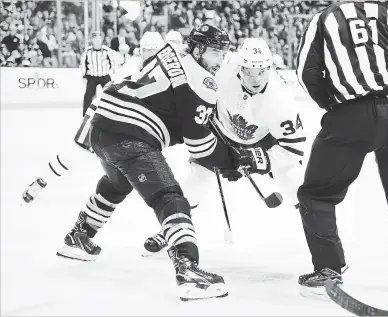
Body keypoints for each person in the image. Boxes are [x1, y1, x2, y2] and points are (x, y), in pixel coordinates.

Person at [55, 24, 266, 301]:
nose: (220, 60)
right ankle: (188, 269)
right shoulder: (202, 81)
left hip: (102, 127)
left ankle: (79, 235)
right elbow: (200, 146)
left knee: (117, 181)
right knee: (170, 197)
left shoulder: (173, 52)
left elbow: (176, 108)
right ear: (199, 49)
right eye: (216, 53)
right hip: (130, 133)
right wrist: (232, 161)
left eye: (224, 53)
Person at [295, 1, 388, 291]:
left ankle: (329, 268)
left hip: (351, 114)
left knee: (317, 193)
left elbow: (306, 73)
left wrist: (332, 104)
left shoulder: (325, 17)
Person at [143, 37, 307, 255]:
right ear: (240, 66)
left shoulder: (280, 98)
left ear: (270, 67)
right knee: (199, 178)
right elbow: (202, 98)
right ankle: (170, 231)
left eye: (262, 71)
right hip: (221, 133)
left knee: (293, 181)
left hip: (263, 139)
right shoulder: (222, 74)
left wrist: (256, 160)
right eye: (249, 71)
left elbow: (293, 148)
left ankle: (323, 243)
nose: (256, 78)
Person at [22, 32, 169, 204]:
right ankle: (41, 181)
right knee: (76, 151)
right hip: (103, 111)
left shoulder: (158, 71)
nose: (151, 56)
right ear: (141, 51)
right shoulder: (133, 66)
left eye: (155, 52)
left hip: (123, 119)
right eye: (148, 51)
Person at [80, 31, 115, 116]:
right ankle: (85, 114)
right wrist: (84, 76)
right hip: (92, 76)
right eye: (95, 39)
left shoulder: (106, 50)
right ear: (92, 40)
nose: (97, 41)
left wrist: (111, 73)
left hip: (105, 76)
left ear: (102, 40)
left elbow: (112, 63)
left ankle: (112, 112)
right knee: (88, 95)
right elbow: (83, 64)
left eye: (99, 39)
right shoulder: (88, 51)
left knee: (110, 94)